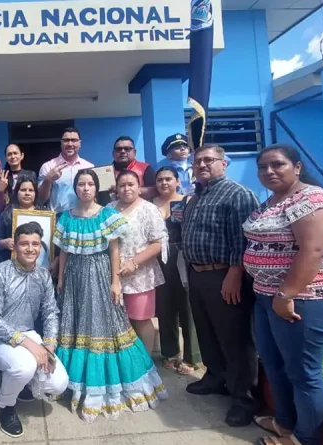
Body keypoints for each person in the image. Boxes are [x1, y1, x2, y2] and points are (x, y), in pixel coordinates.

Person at [243, 144, 323, 445]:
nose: (269, 171)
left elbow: (313, 250)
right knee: (274, 364)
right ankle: (284, 422)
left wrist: (286, 293)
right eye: (263, 167)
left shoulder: (313, 198)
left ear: (297, 167)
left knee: (304, 373)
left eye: (278, 164)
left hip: (301, 301)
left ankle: (304, 439)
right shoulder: (271, 202)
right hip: (265, 297)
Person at [54, 169, 167, 423]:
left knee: (105, 324)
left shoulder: (107, 214)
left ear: (97, 188)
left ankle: (107, 382)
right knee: (75, 323)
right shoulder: (67, 217)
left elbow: (114, 249)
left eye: (90, 184)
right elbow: (63, 252)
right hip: (73, 276)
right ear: (75, 188)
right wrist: (61, 278)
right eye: (81, 184)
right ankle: (75, 381)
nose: (85, 188)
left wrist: (115, 280)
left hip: (99, 273)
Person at [181, 144, 260, 427]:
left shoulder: (238, 194)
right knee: (207, 331)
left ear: (224, 164)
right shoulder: (196, 196)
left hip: (225, 274)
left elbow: (244, 239)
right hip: (198, 274)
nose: (201, 165)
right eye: (197, 161)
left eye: (208, 160)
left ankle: (243, 398)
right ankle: (215, 376)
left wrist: (235, 273)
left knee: (234, 337)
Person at [0, 222, 68, 438]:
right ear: (15, 247)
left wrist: (48, 344)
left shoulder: (43, 276)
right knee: (24, 365)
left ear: (40, 247)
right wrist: (29, 344)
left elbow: (50, 312)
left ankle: (22, 386)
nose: (30, 248)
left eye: (35, 244)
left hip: (27, 333)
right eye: (24, 244)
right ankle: (4, 406)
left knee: (58, 383)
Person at [107, 170, 167, 354]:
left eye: (131, 184)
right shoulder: (109, 209)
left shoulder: (148, 209)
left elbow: (158, 243)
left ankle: (146, 362)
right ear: (116, 189)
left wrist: (134, 263)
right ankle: (127, 364)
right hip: (114, 274)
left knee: (141, 319)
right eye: (122, 185)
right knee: (119, 321)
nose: (126, 189)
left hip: (140, 274)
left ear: (139, 188)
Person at [152, 166, 202, 375]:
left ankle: (192, 356)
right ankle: (170, 352)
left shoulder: (188, 201)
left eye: (168, 179)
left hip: (182, 257)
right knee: (164, 307)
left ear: (177, 181)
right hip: (157, 259)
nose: (164, 183)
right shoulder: (149, 205)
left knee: (187, 306)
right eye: (160, 180)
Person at [38, 127, 94, 214]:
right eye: (66, 140)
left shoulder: (89, 167)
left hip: (83, 216)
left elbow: (95, 196)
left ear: (80, 143)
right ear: (61, 143)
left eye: (74, 140)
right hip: (57, 218)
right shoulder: (48, 166)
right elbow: (40, 199)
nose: (70, 144)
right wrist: (48, 180)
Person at [0, 175, 46, 265]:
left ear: (35, 193)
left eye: (31, 190)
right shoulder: (7, 213)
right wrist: (4, 243)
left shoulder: (45, 215)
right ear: (17, 192)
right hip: (10, 265)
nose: (27, 193)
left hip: (38, 267)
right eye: (23, 190)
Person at [98, 136, 156, 205]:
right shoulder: (104, 172)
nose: (122, 151)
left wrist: (122, 191)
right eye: (119, 149)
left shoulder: (145, 168)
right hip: (112, 211)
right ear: (113, 153)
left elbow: (155, 190)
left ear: (134, 152)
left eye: (127, 149)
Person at [0, 143, 37, 212]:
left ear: (22, 156)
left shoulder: (30, 175)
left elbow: (36, 200)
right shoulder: (3, 176)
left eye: (15, 153)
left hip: (26, 213)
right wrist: (1, 191)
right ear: (6, 158)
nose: (12, 156)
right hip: (8, 216)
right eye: (9, 154)